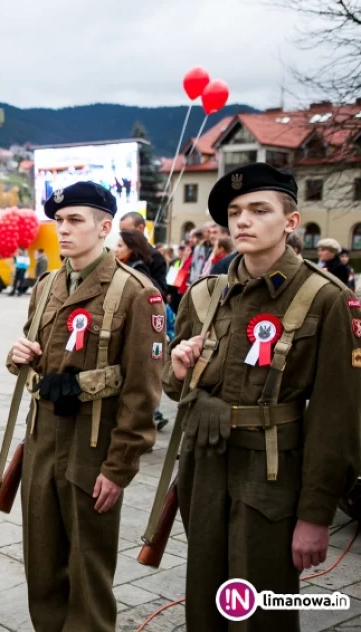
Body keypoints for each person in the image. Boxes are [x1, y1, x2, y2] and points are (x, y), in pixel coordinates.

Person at [160, 163, 361, 630]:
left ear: (291, 222)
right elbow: (176, 388)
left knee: (260, 614)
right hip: (204, 470)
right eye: (234, 212)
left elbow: (337, 419)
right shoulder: (206, 295)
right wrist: (177, 369)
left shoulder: (326, 298)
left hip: (271, 480)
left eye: (259, 209)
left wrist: (315, 516)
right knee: (205, 608)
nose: (243, 221)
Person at [8, 182, 163, 632]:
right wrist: (19, 355)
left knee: (89, 568)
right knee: (41, 562)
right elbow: (34, 349)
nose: (64, 230)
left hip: (91, 445)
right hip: (42, 442)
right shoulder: (48, 285)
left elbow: (142, 391)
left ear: (105, 227)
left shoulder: (135, 293)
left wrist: (119, 467)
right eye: (59, 221)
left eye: (76, 220)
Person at [118, 211, 169, 293]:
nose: (122, 235)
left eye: (126, 231)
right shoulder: (122, 257)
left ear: (140, 228)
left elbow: (161, 292)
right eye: (121, 231)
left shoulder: (155, 256)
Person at [115, 229, 166, 294]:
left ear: (131, 248)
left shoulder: (138, 269)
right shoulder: (124, 265)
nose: (115, 249)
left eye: (120, 246)